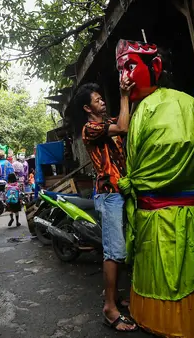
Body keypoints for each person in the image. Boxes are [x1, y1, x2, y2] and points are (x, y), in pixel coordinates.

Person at [114, 40, 194, 337]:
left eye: (130, 66)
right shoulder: (176, 103)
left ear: (156, 68)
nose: (124, 77)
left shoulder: (168, 106)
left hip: (169, 215)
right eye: (120, 70)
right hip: (180, 217)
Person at [70, 79, 137, 332]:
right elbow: (123, 126)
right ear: (88, 109)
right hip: (108, 194)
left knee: (121, 250)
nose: (102, 102)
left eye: (101, 98)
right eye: (97, 100)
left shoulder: (105, 124)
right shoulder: (91, 129)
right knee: (114, 251)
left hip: (120, 191)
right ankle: (109, 308)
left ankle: (116, 299)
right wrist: (123, 95)